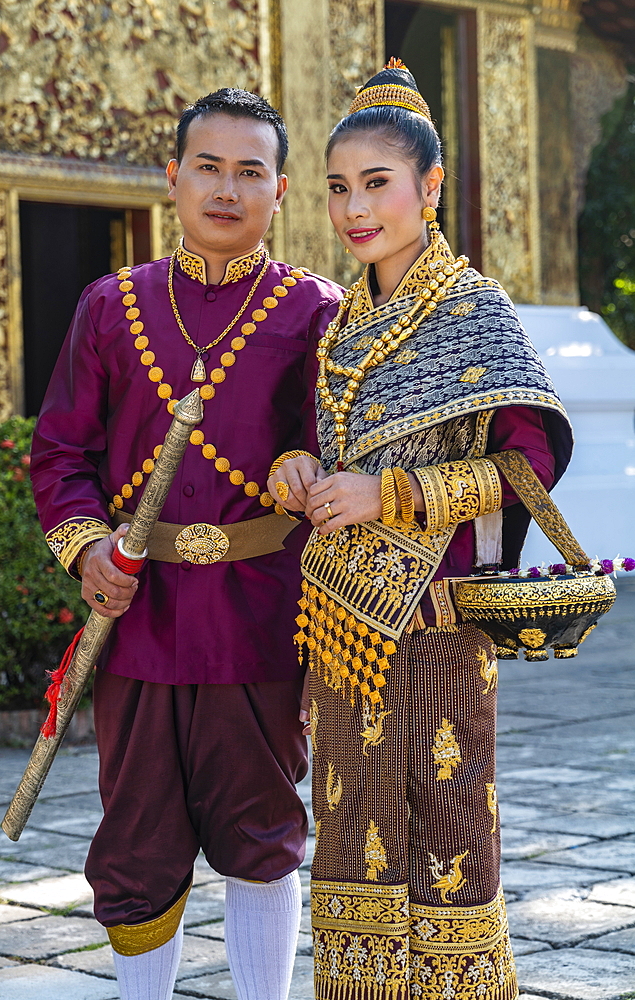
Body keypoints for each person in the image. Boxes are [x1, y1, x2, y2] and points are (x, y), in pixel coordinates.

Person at [267, 61, 572, 1000]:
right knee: (350, 838)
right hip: (342, 630)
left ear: (428, 189)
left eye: (376, 184)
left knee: (448, 835)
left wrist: (391, 494)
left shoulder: (472, 311)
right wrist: (297, 472)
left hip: (437, 626)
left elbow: (527, 466)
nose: (354, 209)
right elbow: (308, 446)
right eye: (336, 188)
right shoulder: (338, 326)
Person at [30, 88, 343, 1000]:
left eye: (250, 172)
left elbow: (344, 443)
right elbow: (61, 451)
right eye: (207, 166)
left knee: (261, 830)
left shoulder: (316, 312)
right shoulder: (110, 304)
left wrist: (306, 462)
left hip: (265, 614)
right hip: (139, 614)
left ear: (280, 191)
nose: (226, 188)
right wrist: (86, 548)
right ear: (172, 177)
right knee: (136, 841)